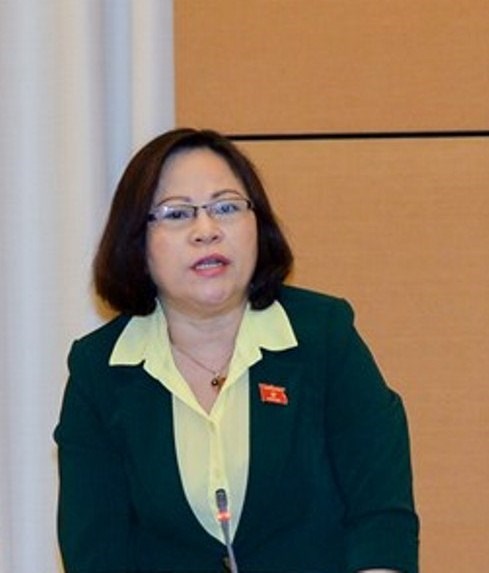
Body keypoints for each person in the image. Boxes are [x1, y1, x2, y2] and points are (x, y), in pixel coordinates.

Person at [54, 128, 419, 573]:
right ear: (137, 242)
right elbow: (95, 553)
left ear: (257, 225)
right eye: (177, 214)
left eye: (226, 207)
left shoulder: (323, 337)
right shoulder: (100, 371)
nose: (206, 231)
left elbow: (380, 517)